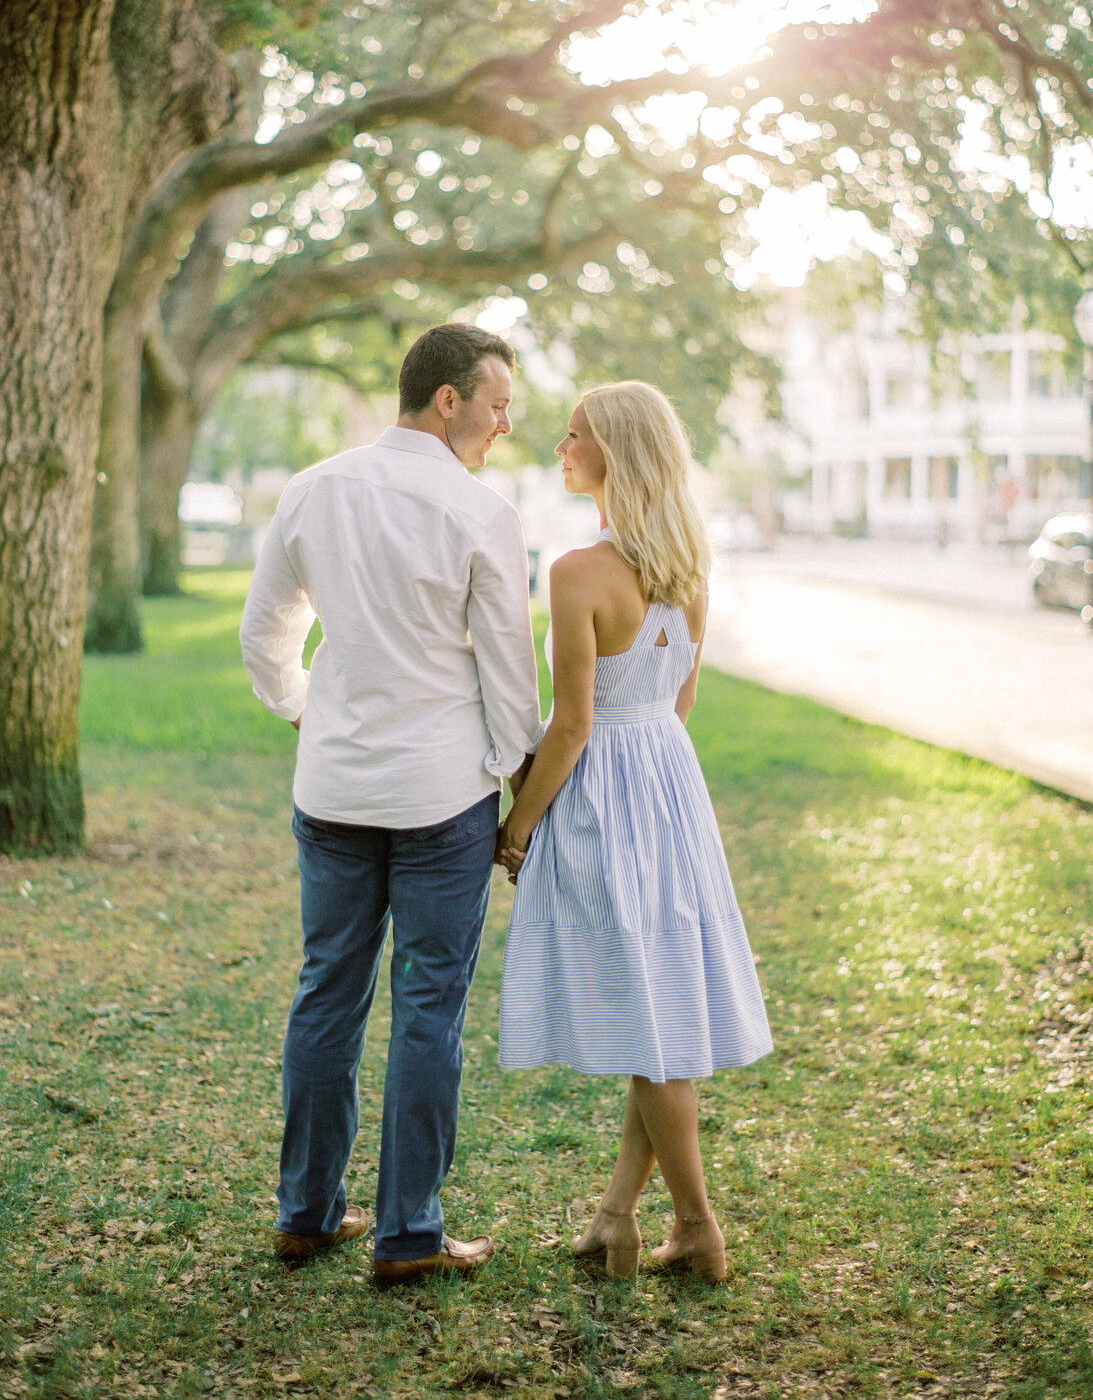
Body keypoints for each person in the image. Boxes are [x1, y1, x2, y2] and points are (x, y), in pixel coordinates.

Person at [239, 322, 542, 1284]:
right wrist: (512, 786)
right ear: (446, 400)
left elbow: (264, 634)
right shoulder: (480, 514)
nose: (505, 424)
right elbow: (510, 680)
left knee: (326, 993)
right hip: (441, 801)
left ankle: (305, 1213)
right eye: (496, 405)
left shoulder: (312, 489)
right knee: (427, 1012)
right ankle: (407, 1234)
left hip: (332, 789)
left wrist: (300, 708)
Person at [496, 381, 773, 1283]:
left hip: (602, 794)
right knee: (651, 1009)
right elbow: (680, 701)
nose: (558, 448)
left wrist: (517, 828)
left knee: (651, 1029)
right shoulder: (690, 567)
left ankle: (697, 1226)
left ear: (612, 451)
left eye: (572, 435)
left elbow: (573, 726)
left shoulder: (579, 573)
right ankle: (615, 1217)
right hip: (668, 787)